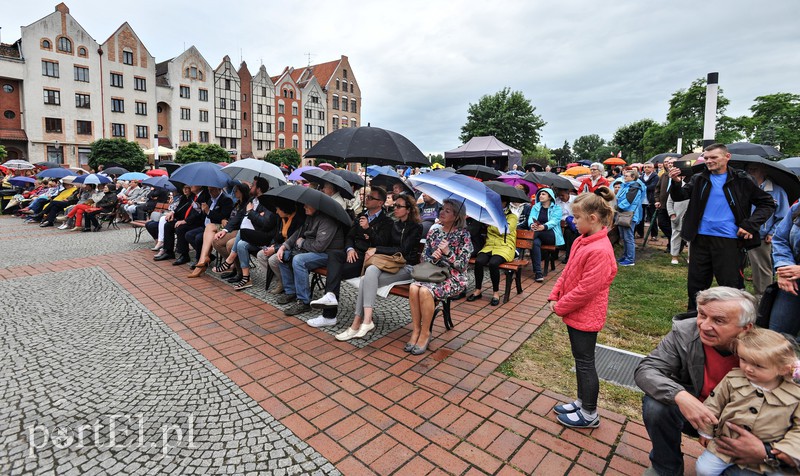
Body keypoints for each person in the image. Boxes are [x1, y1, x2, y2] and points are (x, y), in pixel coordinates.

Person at [634, 287, 776, 476]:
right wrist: (680, 395)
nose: (704, 325)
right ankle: (665, 468)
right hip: (697, 415)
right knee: (656, 405)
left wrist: (766, 449)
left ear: (746, 328)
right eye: (702, 314)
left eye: (719, 320)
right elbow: (647, 369)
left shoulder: (769, 352)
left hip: (743, 424)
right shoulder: (685, 332)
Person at [669, 144, 776, 310]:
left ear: (727, 157)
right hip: (700, 239)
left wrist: (749, 225)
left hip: (729, 240)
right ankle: (694, 319)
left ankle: (735, 320)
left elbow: (767, 203)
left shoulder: (741, 179)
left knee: (730, 286)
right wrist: (676, 183)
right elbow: (680, 196)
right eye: (706, 158)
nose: (709, 161)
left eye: (713, 157)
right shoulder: (700, 178)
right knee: (696, 284)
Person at [549, 186, 617, 428]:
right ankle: (582, 401)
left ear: (593, 219)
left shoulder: (599, 250)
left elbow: (586, 289)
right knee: (580, 360)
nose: (573, 220)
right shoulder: (583, 240)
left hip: (586, 315)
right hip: (575, 312)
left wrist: (561, 306)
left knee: (586, 362)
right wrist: (555, 293)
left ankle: (589, 413)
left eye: (577, 217)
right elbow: (568, 272)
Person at [694, 328, 800, 476]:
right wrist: (705, 431)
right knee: (704, 470)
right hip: (726, 444)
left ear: (783, 369)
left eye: (758, 365)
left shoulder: (795, 394)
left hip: (768, 452)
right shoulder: (732, 379)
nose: (748, 368)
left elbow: (798, 427)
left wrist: (783, 451)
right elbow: (714, 404)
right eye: (743, 360)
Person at [335, 193, 423, 341]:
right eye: (394, 205)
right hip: (390, 263)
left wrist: (377, 250)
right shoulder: (394, 224)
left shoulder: (416, 227)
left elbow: (404, 250)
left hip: (407, 267)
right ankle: (365, 321)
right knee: (370, 271)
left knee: (365, 281)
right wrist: (369, 232)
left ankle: (356, 324)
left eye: (399, 206)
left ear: (408, 209)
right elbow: (382, 242)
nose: (395, 208)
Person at [309, 186, 392, 327]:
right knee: (334, 254)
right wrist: (349, 248)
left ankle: (329, 315)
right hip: (353, 253)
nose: (367, 199)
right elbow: (350, 236)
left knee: (334, 272)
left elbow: (382, 243)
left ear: (380, 203)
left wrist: (368, 229)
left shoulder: (387, 222)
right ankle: (330, 298)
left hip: (367, 259)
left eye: (371, 197)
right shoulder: (361, 215)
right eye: (367, 196)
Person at [406, 199, 472, 355]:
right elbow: (424, 258)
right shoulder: (435, 231)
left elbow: (463, 266)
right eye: (442, 208)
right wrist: (434, 257)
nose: (442, 212)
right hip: (432, 273)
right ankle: (415, 330)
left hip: (454, 277)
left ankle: (425, 333)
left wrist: (448, 253)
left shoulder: (464, 235)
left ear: (457, 216)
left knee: (424, 291)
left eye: (448, 211)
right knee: (413, 286)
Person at [276, 202, 345, 317]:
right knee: (283, 255)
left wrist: (302, 242)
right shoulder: (310, 216)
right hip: (314, 250)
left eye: (307, 205)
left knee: (299, 260)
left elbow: (319, 246)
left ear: (317, 205)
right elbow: (299, 232)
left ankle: (304, 302)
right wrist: (284, 246)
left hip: (329, 254)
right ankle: (291, 291)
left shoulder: (328, 220)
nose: (304, 207)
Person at [744, 163, 789, 300]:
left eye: (754, 169)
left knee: (762, 272)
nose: (750, 172)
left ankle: (763, 303)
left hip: (761, 237)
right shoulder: (743, 188)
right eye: (748, 169)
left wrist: (772, 232)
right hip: (739, 234)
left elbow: (783, 216)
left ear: (764, 171)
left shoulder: (777, 191)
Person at [187, 182, 250, 279]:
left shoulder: (239, 203)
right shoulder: (237, 203)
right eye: (209, 190)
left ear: (242, 192)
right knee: (209, 227)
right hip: (226, 226)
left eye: (236, 190)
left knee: (215, 239)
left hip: (236, 229)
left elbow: (238, 219)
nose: (234, 192)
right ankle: (203, 259)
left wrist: (212, 214)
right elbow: (230, 217)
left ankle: (228, 264)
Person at [467, 201, 517, 306]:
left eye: (501, 202)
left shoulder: (512, 216)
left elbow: (505, 229)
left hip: (505, 247)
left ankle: (496, 292)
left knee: (494, 263)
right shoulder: (490, 215)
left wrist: (491, 223)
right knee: (479, 261)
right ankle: (478, 290)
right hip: (489, 246)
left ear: (505, 204)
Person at [256, 201, 306, 295]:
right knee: (261, 255)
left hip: (292, 248)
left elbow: (293, 241)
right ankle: (280, 280)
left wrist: (275, 249)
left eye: (278, 209)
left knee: (273, 260)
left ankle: (286, 283)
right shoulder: (281, 218)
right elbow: (278, 235)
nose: (276, 212)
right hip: (281, 246)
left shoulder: (298, 220)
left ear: (285, 209)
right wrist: (273, 245)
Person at [768, 202, 800, 336]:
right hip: (792, 282)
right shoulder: (797, 207)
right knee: (777, 336)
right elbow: (780, 238)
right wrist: (784, 267)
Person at [528, 188, 563, 282]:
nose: (540, 196)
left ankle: (519, 248)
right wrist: (532, 224)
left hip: (551, 234)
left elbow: (554, 221)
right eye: (539, 194)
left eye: (543, 194)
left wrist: (544, 227)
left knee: (535, 235)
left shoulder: (557, 208)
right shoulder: (535, 207)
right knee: (534, 243)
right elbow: (531, 218)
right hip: (538, 234)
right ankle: (538, 273)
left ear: (550, 197)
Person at [616, 169, 646, 266]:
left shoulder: (634, 187)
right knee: (624, 237)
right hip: (623, 214)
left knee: (628, 237)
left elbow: (628, 201)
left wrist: (617, 207)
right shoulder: (627, 186)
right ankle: (625, 256)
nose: (624, 177)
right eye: (624, 176)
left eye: (627, 176)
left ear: (633, 177)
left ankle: (630, 259)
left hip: (629, 215)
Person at [655, 158, 676, 249]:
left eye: (672, 163)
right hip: (663, 205)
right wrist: (657, 200)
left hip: (675, 206)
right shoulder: (664, 175)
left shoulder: (682, 176)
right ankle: (674, 240)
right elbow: (657, 189)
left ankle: (672, 245)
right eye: (668, 163)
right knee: (662, 223)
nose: (670, 164)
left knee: (674, 225)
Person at [638, 162, 660, 240]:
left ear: (652, 168)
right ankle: (640, 233)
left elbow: (653, 187)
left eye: (648, 167)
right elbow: (638, 185)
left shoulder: (656, 177)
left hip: (651, 199)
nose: (646, 168)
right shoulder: (641, 177)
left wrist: (643, 187)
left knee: (652, 218)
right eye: (645, 167)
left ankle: (654, 235)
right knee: (640, 218)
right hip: (642, 200)